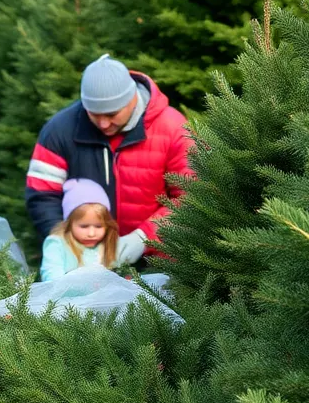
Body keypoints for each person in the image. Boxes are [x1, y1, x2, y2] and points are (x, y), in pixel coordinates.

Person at [25, 54, 194, 266]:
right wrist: (65, 246)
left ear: (131, 99)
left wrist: (144, 238)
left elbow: (191, 199)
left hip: (160, 263)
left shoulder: (173, 129)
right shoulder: (59, 130)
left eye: (112, 114)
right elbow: (42, 194)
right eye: (94, 114)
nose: (104, 124)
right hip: (85, 261)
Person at [39, 179, 119, 282]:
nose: (91, 234)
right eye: (84, 226)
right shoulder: (57, 244)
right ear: (69, 223)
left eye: (99, 226)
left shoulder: (108, 244)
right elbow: (52, 276)